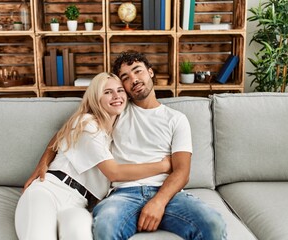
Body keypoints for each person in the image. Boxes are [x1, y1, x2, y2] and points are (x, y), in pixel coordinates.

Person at [25, 52, 227, 240]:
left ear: (150, 72)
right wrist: (42, 164)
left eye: (138, 71)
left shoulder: (176, 119)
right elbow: (67, 131)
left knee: (213, 224)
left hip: (167, 192)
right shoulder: (116, 108)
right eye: (126, 78)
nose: (134, 80)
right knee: (105, 225)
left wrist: (158, 202)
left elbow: (182, 172)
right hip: (123, 193)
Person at [15, 72, 172, 240]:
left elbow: (60, 136)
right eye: (107, 92)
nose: (116, 96)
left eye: (120, 90)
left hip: (78, 204)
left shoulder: (114, 134)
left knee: (80, 234)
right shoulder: (87, 123)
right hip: (49, 190)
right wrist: (163, 166)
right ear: (96, 99)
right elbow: (114, 172)